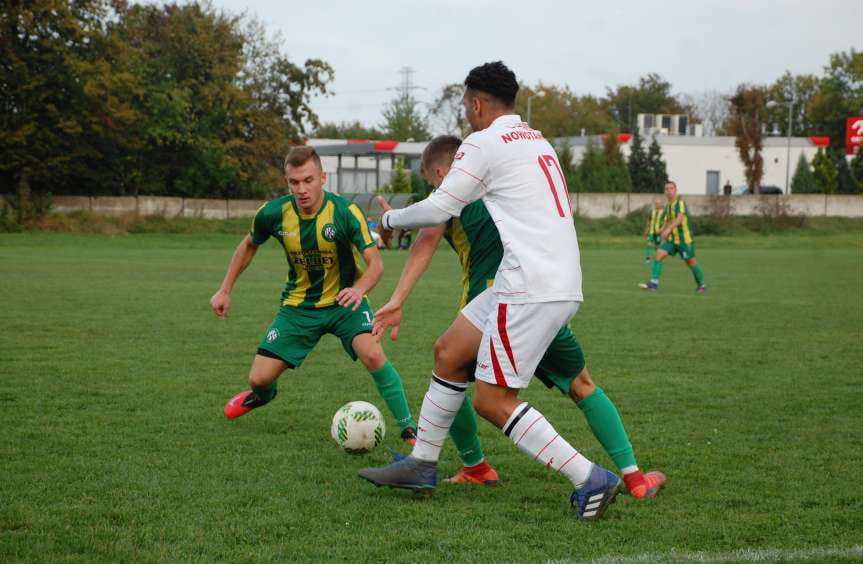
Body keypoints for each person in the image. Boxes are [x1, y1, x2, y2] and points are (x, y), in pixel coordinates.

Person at [357, 61, 641, 521]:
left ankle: (590, 478)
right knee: (449, 350)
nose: (467, 116)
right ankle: (422, 463)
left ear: (476, 103)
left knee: (492, 401)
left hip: (530, 287)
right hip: (543, 278)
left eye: (466, 107)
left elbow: (441, 206)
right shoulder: (536, 139)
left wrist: (385, 221)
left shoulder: (484, 142)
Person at [372, 136, 665, 497]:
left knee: (453, 367)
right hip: (541, 296)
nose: (438, 188)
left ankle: (479, 466)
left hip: (497, 304)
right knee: (582, 385)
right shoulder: (506, 181)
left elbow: (426, 239)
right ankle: (635, 480)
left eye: (435, 182)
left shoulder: (453, 193)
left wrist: (397, 293)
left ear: (440, 172)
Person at [210, 146, 418, 445]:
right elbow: (248, 244)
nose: (301, 189)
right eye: (294, 182)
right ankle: (262, 396)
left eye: (308, 180)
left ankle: (408, 427)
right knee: (259, 379)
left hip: (345, 302)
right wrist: (225, 289)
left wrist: (358, 290)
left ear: (322, 177)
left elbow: (376, 264)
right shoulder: (274, 213)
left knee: (372, 353)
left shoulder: (345, 212)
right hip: (299, 306)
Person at [639, 181, 707, 293]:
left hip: (684, 240)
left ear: (675, 190)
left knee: (691, 262)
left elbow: (680, 218)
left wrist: (669, 229)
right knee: (659, 255)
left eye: (671, 188)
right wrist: (662, 230)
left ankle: (702, 285)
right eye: (666, 189)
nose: (669, 191)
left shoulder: (680, 203)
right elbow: (667, 221)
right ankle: (654, 284)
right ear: (664, 192)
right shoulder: (668, 206)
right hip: (672, 240)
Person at [643, 198, 665, 264]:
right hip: (651, 232)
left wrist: (662, 229)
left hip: (659, 232)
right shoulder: (652, 211)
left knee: (657, 247)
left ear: (661, 204)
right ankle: (647, 260)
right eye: (656, 203)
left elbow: (666, 222)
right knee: (648, 244)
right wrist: (646, 230)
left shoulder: (664, 212)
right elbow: (649, 221)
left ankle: (657, 259)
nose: (657, 205)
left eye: (658, 203)